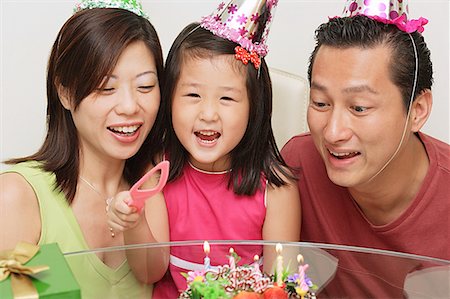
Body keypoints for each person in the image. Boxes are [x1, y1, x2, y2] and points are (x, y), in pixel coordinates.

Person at [108, 0, 301, 297]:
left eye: (227, 99)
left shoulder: (276, 188)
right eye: (193, 94)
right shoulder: (158, 170)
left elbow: (282, 287)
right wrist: (134, 224)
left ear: (255, 106)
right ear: (169, 97)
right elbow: (150, 271)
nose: (208, 114)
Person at [0, 0, 169, 298]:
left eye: (145, 87)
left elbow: (152, 272)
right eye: (106, 88)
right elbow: (23, 293)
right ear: (64, 92)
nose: (130, 107)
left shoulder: (149, 188)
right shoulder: (19, 198)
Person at [281, 0, 449, 297]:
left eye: (359, 107)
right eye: (320, 103)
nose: (332, 133)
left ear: (417, 110)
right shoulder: (298, 164)